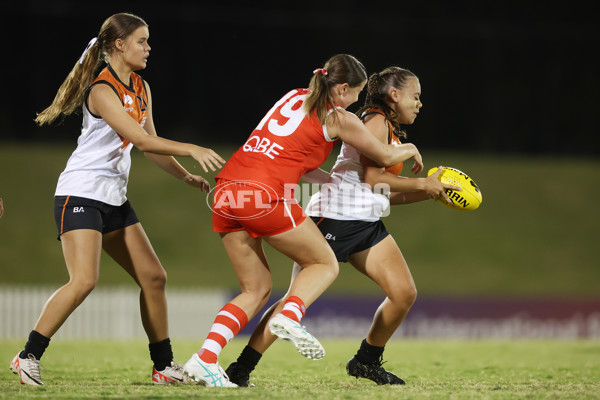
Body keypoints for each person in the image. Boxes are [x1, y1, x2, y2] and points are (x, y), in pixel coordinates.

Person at [182, 55, 426, 387]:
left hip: (229, 190)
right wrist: (410, 148)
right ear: (341, 88)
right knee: (324, 265)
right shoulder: (339, 116)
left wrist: (328, 180)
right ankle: (291, 317)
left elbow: (288, 151)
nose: (355, 101)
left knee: (255, 289)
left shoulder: (294, 96)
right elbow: (382, 158)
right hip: (265, 193)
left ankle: (204, 360)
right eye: (353, 93)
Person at [10, 12, 225, 386]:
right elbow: (140, 141)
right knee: (84, 281)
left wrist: (184, 174)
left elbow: (153, 148)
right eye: (142, 41)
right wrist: (192, 147)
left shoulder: (141, 87)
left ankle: (163, 367)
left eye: (148, 41)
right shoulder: (101, 90)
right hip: (80, 194)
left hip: (112, 198)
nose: (148, 47)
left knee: (154, 277)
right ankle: (27, 355)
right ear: (119, 45)